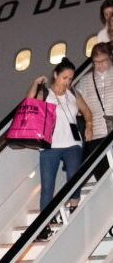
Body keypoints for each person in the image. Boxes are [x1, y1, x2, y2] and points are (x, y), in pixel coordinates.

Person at [26, 58, 93, 238]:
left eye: (70, 78)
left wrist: (89, 126)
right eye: (64, 77)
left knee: (74, 177)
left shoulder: (73, 93)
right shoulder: (46, 93)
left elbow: (87, 113)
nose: (67, 81)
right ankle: (44, 225)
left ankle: (73, 207)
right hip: (50, 146)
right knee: (48, 186)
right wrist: (35, 84)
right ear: (56, 75)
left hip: (72, 144)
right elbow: (29, 102)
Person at [78, 42, 113, 162]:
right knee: (101, 171)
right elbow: (76, 107)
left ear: (110, 57)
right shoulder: (84, 81)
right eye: (96, 62)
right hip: (96, 135)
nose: (99, 65)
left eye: (103, 60)